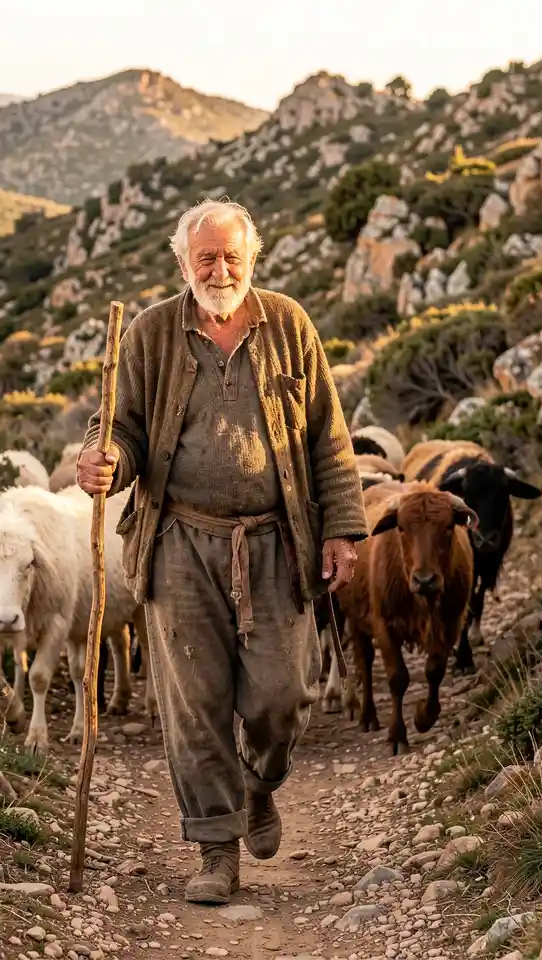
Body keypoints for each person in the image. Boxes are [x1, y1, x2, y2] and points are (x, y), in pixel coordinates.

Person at [78, 199, 367, 905]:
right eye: (206, 258)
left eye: (232, 256)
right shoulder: (150, 335)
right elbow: (117, 426)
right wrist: (103, 457)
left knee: (280, 696)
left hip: (275, 539)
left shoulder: (288, 325)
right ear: (183, 262)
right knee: (194, 701)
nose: (219, 269)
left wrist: (342, 528)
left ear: (252, 259)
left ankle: (259, 782)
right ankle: (216, 850)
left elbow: (328, 434)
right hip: (180, 540)